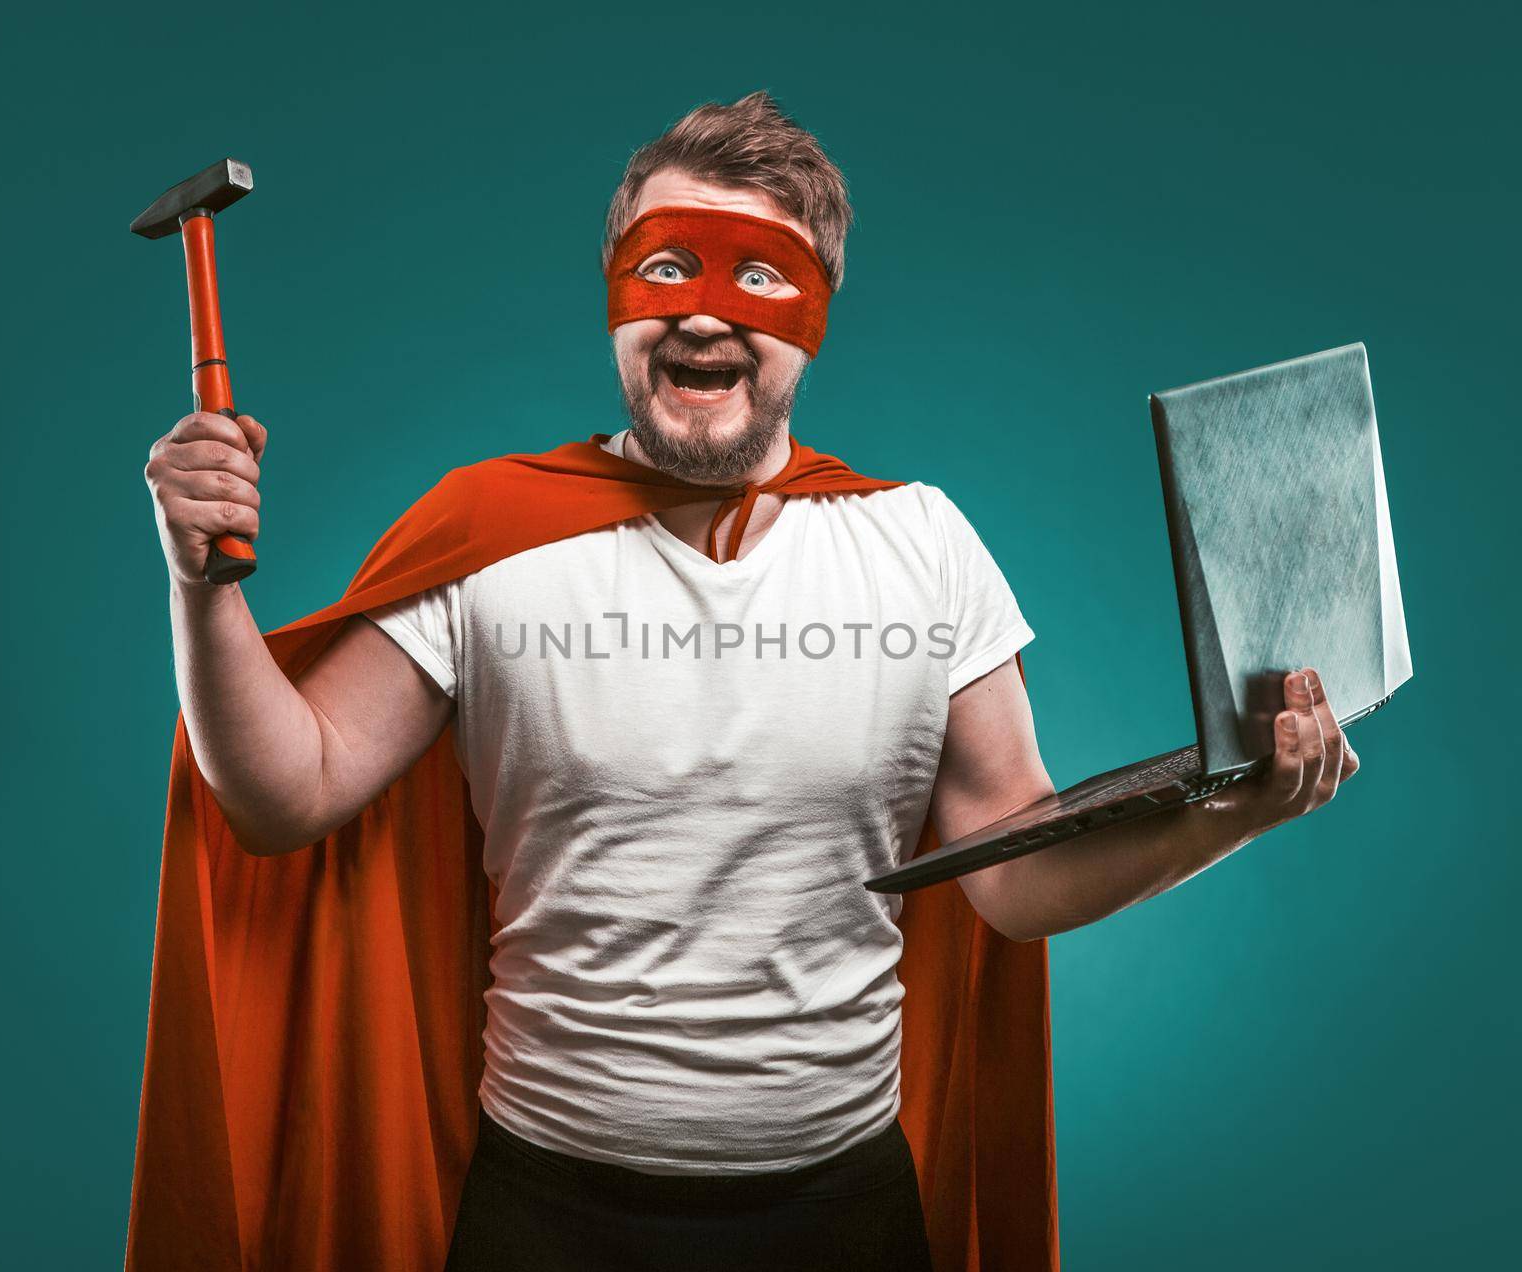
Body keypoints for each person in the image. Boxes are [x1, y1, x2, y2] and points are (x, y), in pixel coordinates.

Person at [138, 92, 1358, 1272]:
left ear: (813, 314)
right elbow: (282, 791)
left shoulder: (922, 543)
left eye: (757, 275)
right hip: (546, 1214)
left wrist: (1235, 808)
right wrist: (204, 586)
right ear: (614, 300)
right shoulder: (490, 536)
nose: (702, 316)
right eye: (664, 269)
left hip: (842, 1213)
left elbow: (1013, 873)